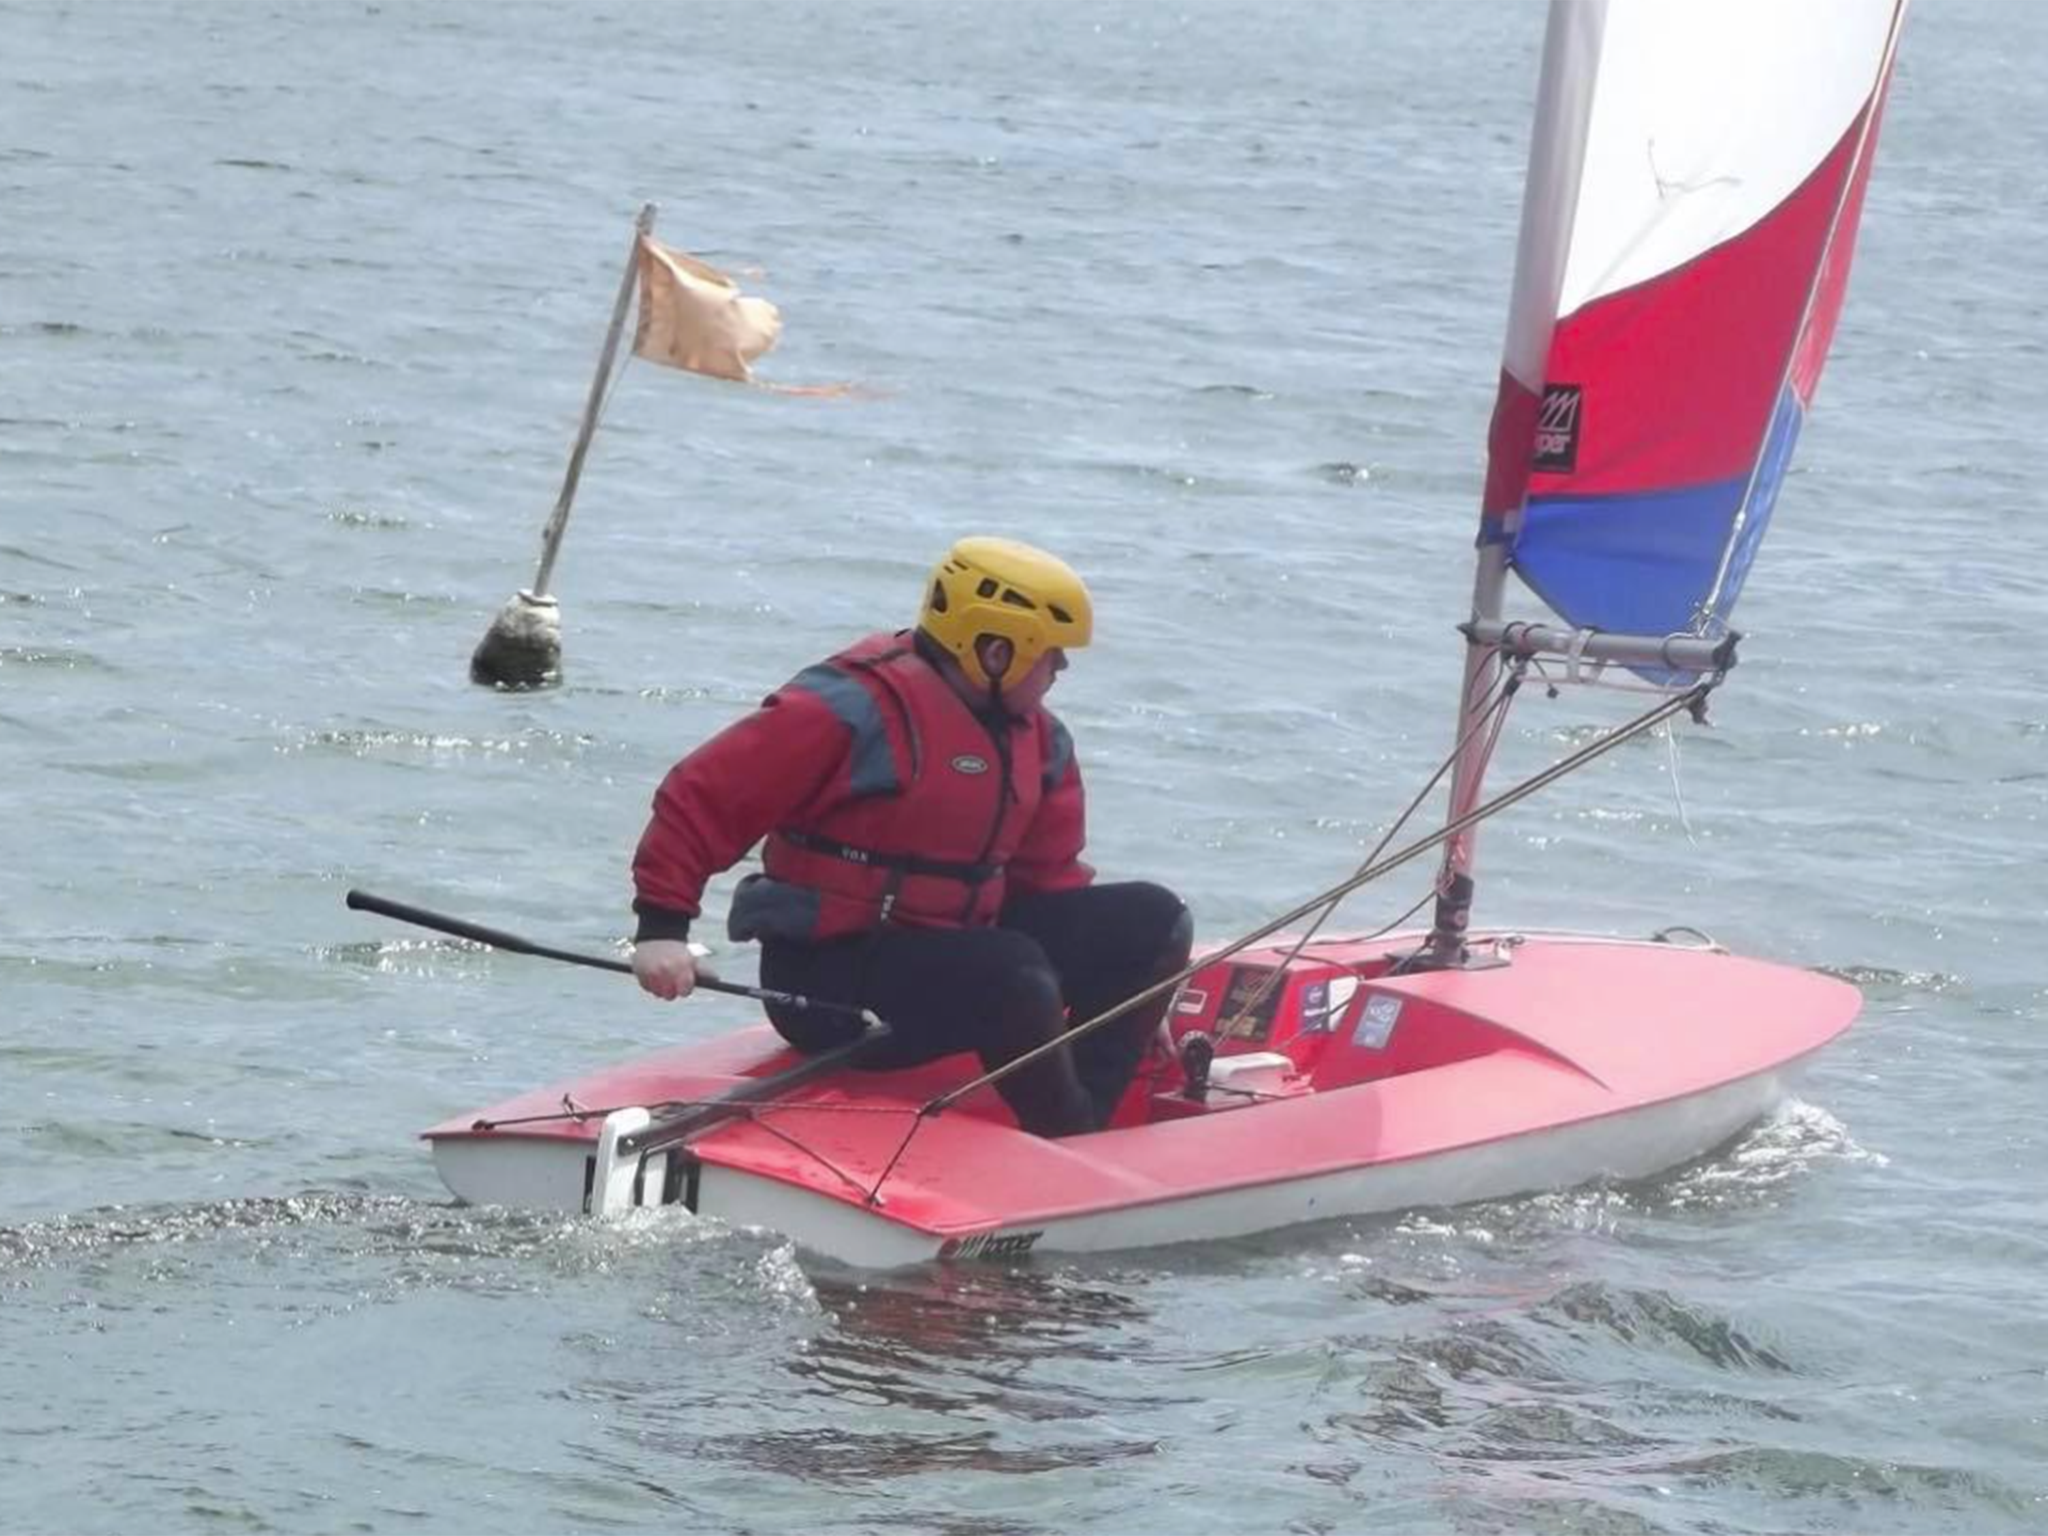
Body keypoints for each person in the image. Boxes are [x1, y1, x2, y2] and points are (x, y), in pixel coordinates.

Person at [630, 536, 1193, 1136]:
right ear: (996, 651)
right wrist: (662, 931)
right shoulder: (847, 709)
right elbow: (704, 796)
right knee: (1012, 971)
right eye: (1050, 654)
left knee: (1155, 920)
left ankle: (1082, 1113)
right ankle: (1069, 1135)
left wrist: (1133, 998)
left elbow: (1049, 882)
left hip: (956, 961)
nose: (1061, 668)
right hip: (831, 987)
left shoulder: (1041, 741)